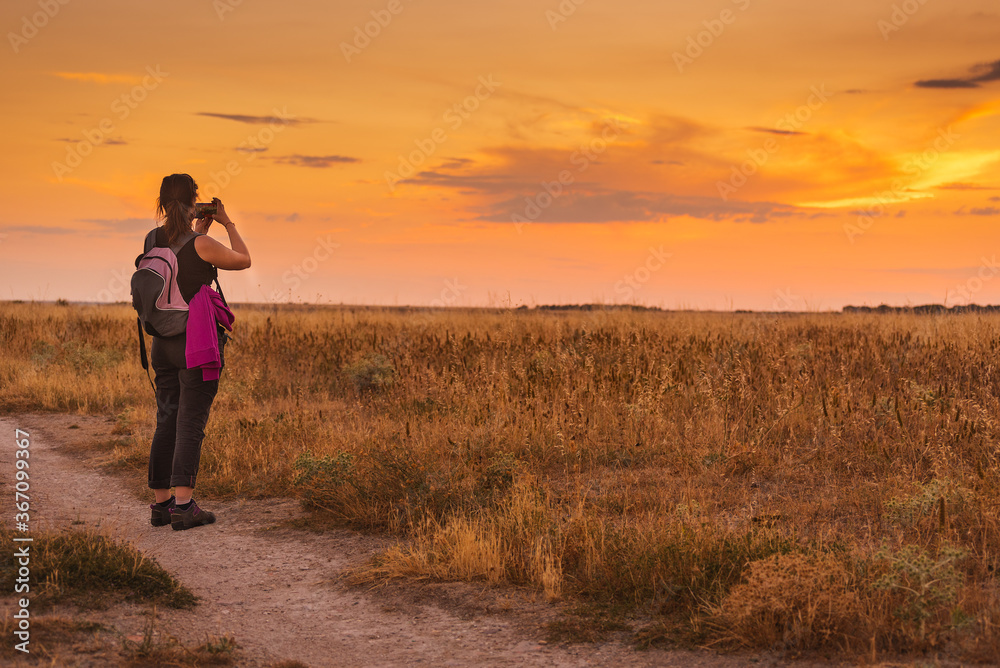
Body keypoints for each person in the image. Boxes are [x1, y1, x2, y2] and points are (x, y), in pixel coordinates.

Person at [146, 173, 251, 530]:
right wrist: (227, 222)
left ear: (161, 203)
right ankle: (185, 506)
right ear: (195, 202)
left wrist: (200, 232)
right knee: (190, 423)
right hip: (196, 343)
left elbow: (181, 266)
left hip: (162, 342)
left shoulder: (152, 239)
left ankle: (161, 506)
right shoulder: (200, 244)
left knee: (167, 420)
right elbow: (243, 259)